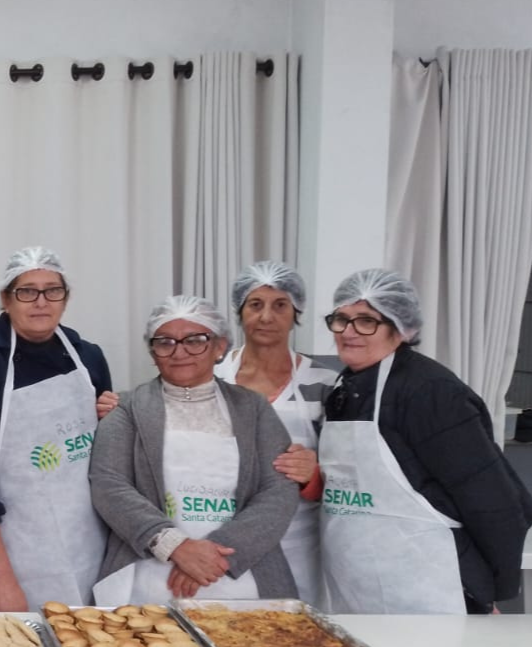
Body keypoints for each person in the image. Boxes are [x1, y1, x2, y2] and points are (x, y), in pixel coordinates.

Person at [319, 269, 532, 614]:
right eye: (341, 319)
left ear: (400, 328)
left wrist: (490, 590)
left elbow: (491, 496)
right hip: (359, 583)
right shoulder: (347, 386)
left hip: (430, 585)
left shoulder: (431, 392)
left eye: (366, 321)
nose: (348, 332)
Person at [91, 295, 300, 604]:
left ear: (219, 347)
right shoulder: (126, 409)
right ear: (153, 352)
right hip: (147, 583)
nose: (180, 352)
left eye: (195, 340)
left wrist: (216, 555)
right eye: (165, 342)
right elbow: (109, 484)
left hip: (243, 580)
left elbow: (278, 491)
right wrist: (175, 547)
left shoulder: (253, 408)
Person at [0, 247, 112, 611]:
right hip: (17, 551)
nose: (41, 302)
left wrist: (113, 420)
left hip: (92, 542)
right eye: (27, 291)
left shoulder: (89, 357)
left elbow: (109, 459)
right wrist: (3, 579)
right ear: (6, 299)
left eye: (53, 290)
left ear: (65, 298)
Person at [215, 261, 339, 603]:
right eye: (255, 305)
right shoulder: (212, 377)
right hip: (220, 533)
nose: (266, 317)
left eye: (279, 305)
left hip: (297, 540)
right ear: (240, 312)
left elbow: (345, 471)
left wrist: (312, 476)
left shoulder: (325, 384)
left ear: (296, 312)